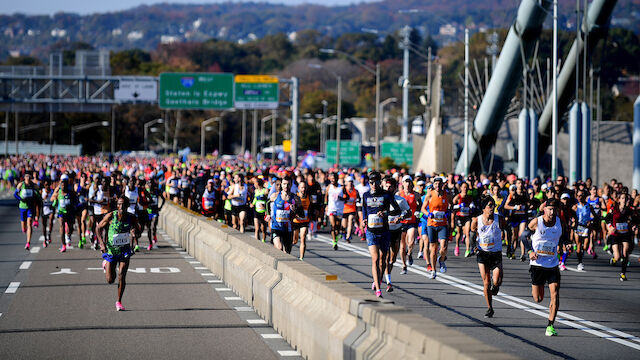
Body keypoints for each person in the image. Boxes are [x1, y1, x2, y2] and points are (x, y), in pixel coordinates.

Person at [522, 199, 565, 336]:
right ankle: (538, 291)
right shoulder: (537, 222)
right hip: (538, 264)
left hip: (552, 264)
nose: (552, 212)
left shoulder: (559, 222)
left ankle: (550, 325)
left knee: (555, 293)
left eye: (554, 209)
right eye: (550, 209)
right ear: (545, 209)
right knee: (538, 299)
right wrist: (530, 251)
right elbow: (523, 237)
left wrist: (564, 244)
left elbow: (563, 236)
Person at [97, 196, 140, 311]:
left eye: (124, 205)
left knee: (122, 275)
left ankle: (119, 301)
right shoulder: (111, 216)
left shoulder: (132, 218)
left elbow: (138, 230)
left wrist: (135, 233)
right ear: (117, 205)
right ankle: (106, 263)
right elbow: (98, 228)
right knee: (110, 280)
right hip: (112, 251)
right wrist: (101, 243)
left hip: (125, 251)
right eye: (119, 204)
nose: (121, 207)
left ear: (127, 206)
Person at [362, 171, 400, 298]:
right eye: (371, 182)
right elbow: (364, 210)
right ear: (369, 183)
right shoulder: (365, 195)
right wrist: (364, 219)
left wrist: (385, 213)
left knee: (383, 260)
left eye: (376, 182)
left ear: (380, 182)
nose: (373, 185)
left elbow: (397, 210)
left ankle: (378, 279)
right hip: (371, 231)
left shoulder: (386, 195)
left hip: (384, 231)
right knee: (375, 259)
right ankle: (378, 289)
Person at [471, 197, 506, 318]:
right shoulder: (477, 220)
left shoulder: (499, 219)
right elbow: (472, 232)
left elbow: (507, 229)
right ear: (483, 208)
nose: (492, 208)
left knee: (497, 281)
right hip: (483, 253)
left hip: (496, 253)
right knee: (486, 282)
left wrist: (510, 245)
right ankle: (489, 308)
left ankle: (495, 287)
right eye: (490, 205)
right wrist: (473, 246)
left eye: (493, 205)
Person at [382, 176, 409, 289]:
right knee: (386, 257)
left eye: (390, 187)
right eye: (386, 186)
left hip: (396, 231)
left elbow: (409, 213)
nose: (388, 188)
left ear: (394, 188)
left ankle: (384, 276)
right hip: (385, 230)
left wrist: (401, 216)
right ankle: (388, 282)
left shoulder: (400, 200)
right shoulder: (381, 199)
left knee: (392, 259)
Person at [424, 177, 450, 278]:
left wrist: (448, 212)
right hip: (432, 224)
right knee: (433, 249)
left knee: (443, 247)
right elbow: (423, 208)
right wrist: (429, 214)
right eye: (435, 184)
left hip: (442, 224)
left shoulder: (446, 195)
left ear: (442, 184)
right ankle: (434, 271)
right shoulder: (430, 194)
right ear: (433, 185)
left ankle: (442, 259)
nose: (437, 186)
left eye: (439, 184)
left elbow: (450, 205)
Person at [269, 176, 302, 254]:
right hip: (276, 226)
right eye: (284, 184)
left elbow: (301, 214)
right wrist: (267, 214)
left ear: (291, 185)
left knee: (287, 252)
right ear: (281, 184)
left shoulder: (296, 198)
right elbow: (267, 203)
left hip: (288, 229)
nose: (286, 186)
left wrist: (295, 210)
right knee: (279, 247)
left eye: (288, 184)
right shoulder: (275, 195)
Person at [608, 193, 634, 281]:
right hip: (615, 234)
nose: (624, 200)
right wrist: (610, 227)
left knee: (625, 252)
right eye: (623, 198)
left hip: (625, 234)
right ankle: (614, 258)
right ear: (619, 200)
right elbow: (607, 218)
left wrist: (634, 226)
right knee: (618, 257)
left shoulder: (629, 210)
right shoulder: (614, 208)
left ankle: (623, 274)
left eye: (626, 198)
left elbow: (635, 220)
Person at [399, 175, 421, 269]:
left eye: (409, 182)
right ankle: (404, 265)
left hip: (411, 221)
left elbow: (420, 205)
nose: (407, 184)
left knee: (411, 241)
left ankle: (410, 253)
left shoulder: (415, 194)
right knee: (402, 246)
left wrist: (417, 211)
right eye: (405, 182)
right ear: (402, 183)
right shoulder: (399, 194)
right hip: (401, 222)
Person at [52, 174, 78, 253]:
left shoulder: (70, 192)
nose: (63, 186)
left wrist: (73, 206)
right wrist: (54, 201)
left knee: (70, 227)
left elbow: (75, 200)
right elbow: (53, 198)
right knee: (62, 227)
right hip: (61, 212)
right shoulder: (58, 192)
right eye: (61, 185)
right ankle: (63, 244)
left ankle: (68, 235)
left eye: (64, 185)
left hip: (70, 212)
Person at [15, 172, 39, 250]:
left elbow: (38, 194)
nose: (28, 178)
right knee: (24, 225)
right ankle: (24, 229)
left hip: (30, 207)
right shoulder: (21, 185)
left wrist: (35, 198)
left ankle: (28, 242)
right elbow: (15, 194)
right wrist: (21, 199)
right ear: (24, 177)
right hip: (22, 206)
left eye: (29, 176)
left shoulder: (33, 185)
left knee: (29, 223)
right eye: (26, 176)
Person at [325, 172, 346, 250]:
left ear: (337, 179)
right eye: (331, 179)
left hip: (339, 209)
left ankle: (336, 237)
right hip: (331, 209)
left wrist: (342, 198)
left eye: (334, 179)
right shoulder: (328, 187)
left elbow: (346, 197)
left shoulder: (342, 187)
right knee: (333, 226)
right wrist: (326, 205)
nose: (332, 180)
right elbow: (326, 197)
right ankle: (334, 241)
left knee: (338, 226)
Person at [293, 181, 311, 260]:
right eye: (302, 187)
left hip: (304, 221)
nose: (303, 189)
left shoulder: (308, 197)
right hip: (296, 221)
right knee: (295, 241)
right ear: (299, 188)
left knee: (303, 238)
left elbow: (311, 207)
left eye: (304, 187)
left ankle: (301, 258)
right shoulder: (295, 197)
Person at [251, 177, 269, 242]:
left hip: (263, 212)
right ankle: (257, 242)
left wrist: (265, 206)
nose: (254, 185)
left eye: (254, 183)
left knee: (263, 229)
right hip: (257, 210)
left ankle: (263, 240)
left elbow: (268, 200)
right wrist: (252, 204)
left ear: (258, 183)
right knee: (257, 228)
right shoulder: (255, 191)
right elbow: (255, 199)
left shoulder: (265, 191)